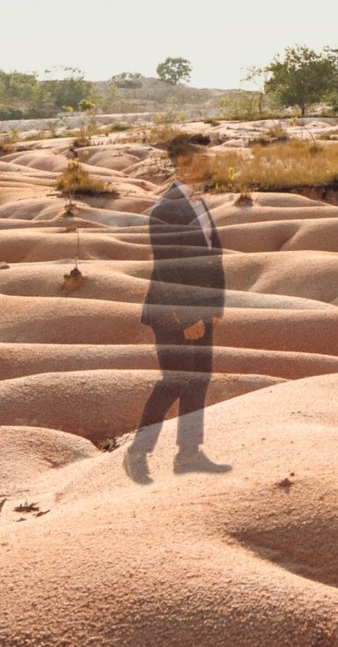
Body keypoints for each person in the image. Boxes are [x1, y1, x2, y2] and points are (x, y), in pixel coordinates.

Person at [124, 135, 231, 481]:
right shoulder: (166, 208)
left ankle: (188, 454)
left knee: (198, 379)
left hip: (200, 307)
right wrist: (187, 320)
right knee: (175, 380)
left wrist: (214, 305)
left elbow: (212, 257)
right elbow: (168, 268)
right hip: (172, 311)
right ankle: (137, 452)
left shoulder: (199, 202)